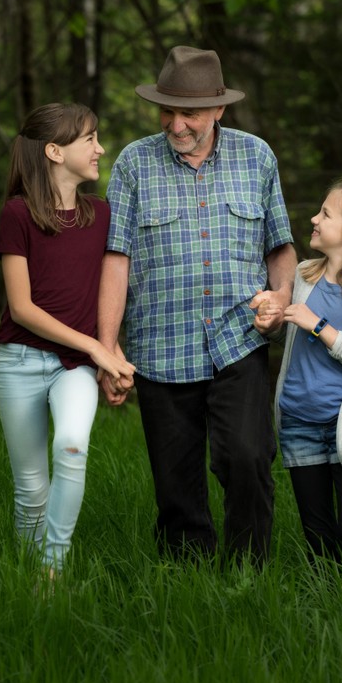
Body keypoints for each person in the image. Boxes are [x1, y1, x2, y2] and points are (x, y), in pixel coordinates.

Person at [98, 46, 297, 566]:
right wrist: (107, 348)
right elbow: (115, 258)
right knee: (176, 484)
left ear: (219, 110)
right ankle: (186, 584)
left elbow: (280, 247)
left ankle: (248, 576)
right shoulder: (133, 164)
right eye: (168, 110)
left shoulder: (257, 156)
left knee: (249, 456)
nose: (176, 123)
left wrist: (280, 299)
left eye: (189, 113)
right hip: (161, 345)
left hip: (239, 338)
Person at [0, 102, 136, 582]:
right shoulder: (17, 215)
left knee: (72, 447)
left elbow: (108, 293)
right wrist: (97, 347)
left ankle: (51, 573)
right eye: (89, 140)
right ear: (54, 151)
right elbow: (22, 308)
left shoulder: (103, 215)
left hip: (74, 366)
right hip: (19, 361)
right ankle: (27, 577)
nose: (100, 149)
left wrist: (108, 351)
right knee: (31, 487)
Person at [255, 175, 342, 564]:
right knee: (318, 544)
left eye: (325, 214)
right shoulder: (304, 276)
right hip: (298, 420)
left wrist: (319, 326)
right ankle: (326, 611)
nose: (314, 220)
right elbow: (290, 340)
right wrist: (271, 324)